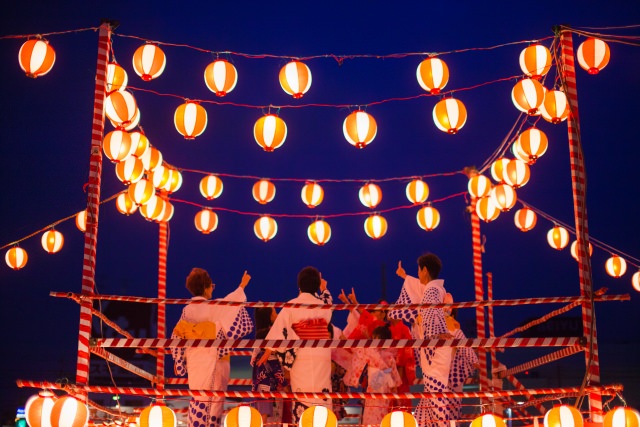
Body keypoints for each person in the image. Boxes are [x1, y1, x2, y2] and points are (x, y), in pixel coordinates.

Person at [171, 268, 254, 427]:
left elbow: (176, 336)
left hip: (195, 359)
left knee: (198, 398)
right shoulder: (213, 307)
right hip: (217, 358)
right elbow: (232, 303)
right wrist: (242, 286)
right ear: (206, 287)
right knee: (215, 402)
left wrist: (179, 361)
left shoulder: (187, 309)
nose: (212, 289)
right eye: (212, 286)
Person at [388, 253, 453, 427]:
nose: (417, 273)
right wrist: (404, 276)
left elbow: (431, 313)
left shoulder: (432, 290)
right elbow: (418, 288)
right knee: (433, 397)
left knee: (436, 396)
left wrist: (434, 337)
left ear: (424, 270)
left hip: (434, 347)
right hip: (434, 345)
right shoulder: (434, 288)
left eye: (418, 269)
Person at [263, 266, 334, 423]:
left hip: (301, 356)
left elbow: (279, 330)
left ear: (299, 286)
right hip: (320, 355)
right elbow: (329, 302)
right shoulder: (323, 306)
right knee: (322, 394)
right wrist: (325, 288)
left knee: (303, 395)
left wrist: (268, 350)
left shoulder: (292, 305)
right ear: (316, 286)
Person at [344, 324, 402, 425]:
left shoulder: (375, 353)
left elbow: (357, 352)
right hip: (378, 388)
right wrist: (393, 385)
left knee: (376, 415)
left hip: (379, 389)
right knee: (376, 414)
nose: (373, 341)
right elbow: (394, 377)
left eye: (375, 338)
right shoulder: (386, 355)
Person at [443, 293, 478, 424]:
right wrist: (475, 363)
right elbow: (467, 349)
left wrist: (475, 362)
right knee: (450, 408)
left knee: (448, 407)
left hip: (449, 372)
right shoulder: (455, 332)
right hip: (449, 373)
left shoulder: (456, 331)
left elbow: (466, 348)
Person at [251, 307, 287, 425]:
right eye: (274, 312)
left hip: (259, 382)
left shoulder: (259, 338)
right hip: (271, 384)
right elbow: (277, 368)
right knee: (271, 416)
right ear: (269, 317)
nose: (276, 314)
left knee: (262, 413)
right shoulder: (273, 334)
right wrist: (284, 383)